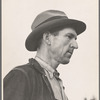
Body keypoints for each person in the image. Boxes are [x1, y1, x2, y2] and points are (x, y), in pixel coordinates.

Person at [4, 10, 86, 100]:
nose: (75, 45)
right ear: (47, 38)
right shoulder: (21, 76)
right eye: (69, 36)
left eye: (75, 39)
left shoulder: (58, 84)